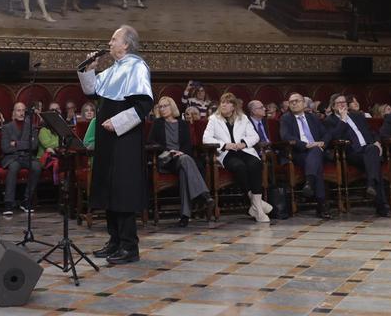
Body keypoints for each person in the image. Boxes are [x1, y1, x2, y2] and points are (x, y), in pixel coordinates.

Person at [78, 25, 153, 265]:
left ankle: (129, 246)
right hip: (108, 138)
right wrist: (89, 69)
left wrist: (118, 122)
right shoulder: (113, 69)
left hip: (125, 139)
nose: (109, 43)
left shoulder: (137, 67)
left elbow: (143, 106)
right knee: (109, 189)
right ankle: (114, 241)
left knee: (123, 191)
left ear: (127, 44)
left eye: (113, 39)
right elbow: (93, 93)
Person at [204, 93, 270, 223]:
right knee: (239, 166)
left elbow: (254, 136)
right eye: (222, 102)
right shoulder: (214, 119)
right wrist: (224, 145)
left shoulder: (243, 118)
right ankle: (258, 206)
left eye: (227, 102)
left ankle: (255, 207)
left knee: (256, 163)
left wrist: (244, 143)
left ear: (233, 106)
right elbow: (206, 139)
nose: (223, 104)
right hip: (227, 153)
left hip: (244, 150)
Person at [148, 96, 213, 227]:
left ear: (172, 107)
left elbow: (187, 144)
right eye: (160, 107)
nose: (162, 109)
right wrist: (169, 151)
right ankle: (204, 194)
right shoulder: (158, 123)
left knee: (184, 168)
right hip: (166, 159)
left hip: (181, 159)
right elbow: (150, 143)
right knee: (185, 161)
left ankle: (185, 216)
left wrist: (181, 152)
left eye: (165, 106)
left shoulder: (182, 124)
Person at [324, 94, 388, 217]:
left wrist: (377, 141)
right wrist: (342, 120)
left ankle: (372, 186)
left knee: (372, 152)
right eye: (339, 103)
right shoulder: (329, 121)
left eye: (344, 102)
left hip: (369, 150)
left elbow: (372, 131)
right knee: (374, 162)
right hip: (353, 153)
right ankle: (380, 203)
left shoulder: (357, 116)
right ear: (332, 107)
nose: (343, 104)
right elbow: (335, 137)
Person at [280, 91, 332, 219]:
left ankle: (309, 183)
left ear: (304, 103)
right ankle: (321, 204)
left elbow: (327, 133)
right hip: (298, 153)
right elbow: (285, 136)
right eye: (291, 102)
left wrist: (322, 142)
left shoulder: (312, 117)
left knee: (315, 153)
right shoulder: (286, 118)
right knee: (317, 163)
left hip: (315, 151)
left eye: (296, 101)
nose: (294, 104)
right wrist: (305, 145)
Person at [0, 101, 42, 215]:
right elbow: (5, 148)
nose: (21, 113)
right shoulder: (6, 127)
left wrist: (16, 144)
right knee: (13, 167)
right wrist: (25, 144)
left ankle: (26, 200)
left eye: (23, 110)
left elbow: (34, 146)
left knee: (37, 167)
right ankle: (8, 203)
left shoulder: (31, 127)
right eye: (18, 110)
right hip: (12, 157)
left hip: (28, 157)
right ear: (14, 112)